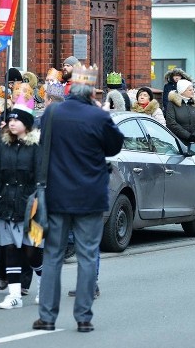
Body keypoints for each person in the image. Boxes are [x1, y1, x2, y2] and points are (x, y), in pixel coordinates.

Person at [34, 66, 124, 334]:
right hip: (90, 196)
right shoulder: (98, 116)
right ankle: (83, 317)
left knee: (53, 256)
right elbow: (114, 147)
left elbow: (43, 147)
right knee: (87, 256)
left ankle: (47, 317)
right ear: (92, 91)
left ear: (70, 88)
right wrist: (105, 115)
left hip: (57, 195)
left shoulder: (52, 112)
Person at [0, 96, 42, 310]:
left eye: (17, 120)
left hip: (32, 208)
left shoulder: (37, 146)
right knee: (10, 249)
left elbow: (41, 178)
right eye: (10, 119)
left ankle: (44, 283)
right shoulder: (5, 145)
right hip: (7, 205)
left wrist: (40, 205)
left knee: (33, 251)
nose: (12, 123)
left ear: (27, 123)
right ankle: (14, 295)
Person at [165, 79, 195, 146]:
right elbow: (171, 123)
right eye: (190, 90)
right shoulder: (172, 104)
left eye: (193, 89)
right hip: (178, 141)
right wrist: (188, 136)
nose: (193, 92)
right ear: (182, 91)